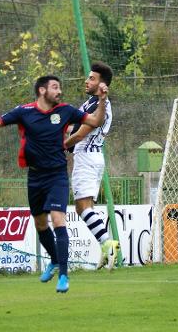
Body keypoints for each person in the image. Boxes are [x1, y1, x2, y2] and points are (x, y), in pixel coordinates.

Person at [0, 75, 108, 293]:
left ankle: (63, 276)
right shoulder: (24, 112)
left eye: (59, 87)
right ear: (42, 91)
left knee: (58, 220)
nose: (59, 91)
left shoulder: (66, 111)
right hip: (35, 177)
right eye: (54, 87)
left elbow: (96, 121)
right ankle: (54, 259)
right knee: (40, 224)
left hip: (57, 176)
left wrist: (102, 100)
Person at [64, 62, 119, 270]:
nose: (87, 81)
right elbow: (75, 126)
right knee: (88, 208)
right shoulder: (90, 102)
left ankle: (108, 244)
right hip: (91, 157)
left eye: (92, 78)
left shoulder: (100, 105)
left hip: (87, 156)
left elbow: (80, 134)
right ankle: (105, 247)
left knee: (82, 208)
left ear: (102, 84)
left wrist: (60, 146)